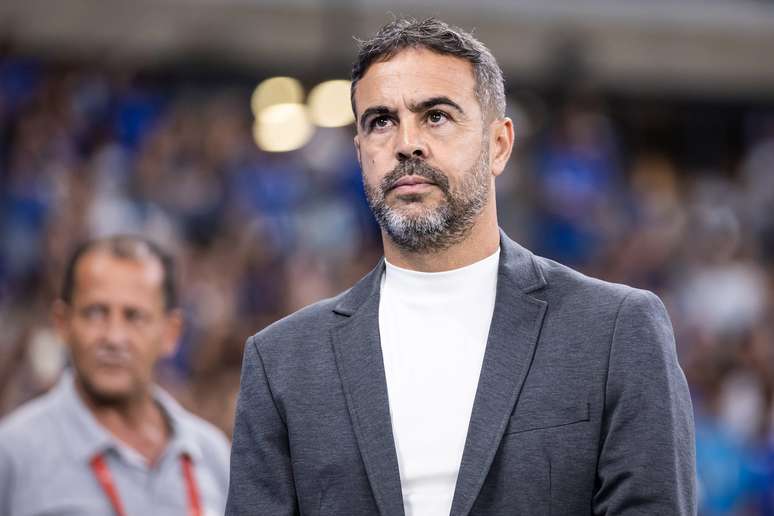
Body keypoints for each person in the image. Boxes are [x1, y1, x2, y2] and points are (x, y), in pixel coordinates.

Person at [226, 17, 696, 516]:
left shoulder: (614, 331)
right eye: (381, 121)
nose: (406, 143)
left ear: (499, 145)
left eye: (436, 116)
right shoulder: (283, 362)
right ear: (360, 152)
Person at [0, 235, 230, 516]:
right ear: (63, 323)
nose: (114, 337)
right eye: (95, 313)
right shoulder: (13, 454)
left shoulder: (213, 456)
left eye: (134, 316)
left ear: (170, 332)